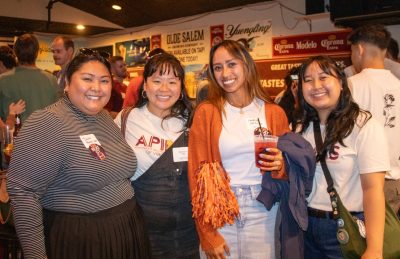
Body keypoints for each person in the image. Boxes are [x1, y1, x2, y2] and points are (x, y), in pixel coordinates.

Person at [7, 49, 151, 259]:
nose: (97, 88)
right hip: (82, 239)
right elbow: (24, 194)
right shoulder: (47, 122)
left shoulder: (104, 118)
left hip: (125, 230)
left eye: (104, 80)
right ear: (67, 82)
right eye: (87, 79)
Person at [188, 40, 289, 258]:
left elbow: (288, 169)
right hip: (220, 210)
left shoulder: (274, 113)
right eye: (217, 67)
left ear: (246, 65)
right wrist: (207, 233)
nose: (225, 73)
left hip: (264, 209)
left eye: (231, 64)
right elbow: (197, 177)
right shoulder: (207, 113)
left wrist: (282, 164)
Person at [293, 55, 389, 259]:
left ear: (342, 83)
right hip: (305, 227)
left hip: (345, 228)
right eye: (308, 80)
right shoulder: (301, 128)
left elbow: (373, 190)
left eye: (324, 77)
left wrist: (374, 249)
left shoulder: (363, 126)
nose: (316, 85)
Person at [115, 52, 199, 258]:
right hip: (139, 233)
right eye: (157, 81)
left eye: (172, 81)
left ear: (181, 88)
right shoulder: (126, 119)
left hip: (187, 234)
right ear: (144, 86)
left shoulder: (193, 121)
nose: (164, 89)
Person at [347, 24, 400, 216]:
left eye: (352, 51)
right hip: (395, 182)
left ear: (359, 50)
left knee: (365, 241)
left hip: (364, 182)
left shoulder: (352, 84)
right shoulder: (398, 84)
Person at [0, 34, 59, 122]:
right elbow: (57, 115)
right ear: (37, 53)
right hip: (46, 134)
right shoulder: (52, 80)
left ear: (15, 52)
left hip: (15, 134)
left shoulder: (3, 80)